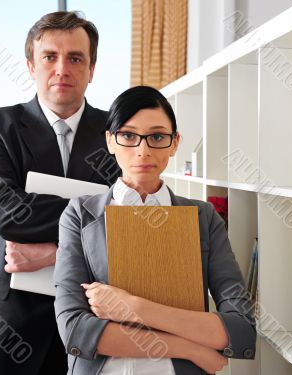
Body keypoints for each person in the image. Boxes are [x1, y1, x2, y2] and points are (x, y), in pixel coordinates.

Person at [0, 11, 120, 375]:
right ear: (31, 65)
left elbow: (127, 225)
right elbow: (7, 213)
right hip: (6, 325)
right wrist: (92, 217)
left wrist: (55, 255)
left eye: (75, 58)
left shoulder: (118, 134)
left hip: (90, 321)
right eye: (50, 57)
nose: (62, 69)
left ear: (92, 69)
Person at [54, 86, 256, 375]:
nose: (143, 150)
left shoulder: (203, 217)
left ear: (175, 143)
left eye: (158, 137)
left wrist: (131, 307)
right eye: (128, 135)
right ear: (110, 141)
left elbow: (239, 327)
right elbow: (74, 330)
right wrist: (189, 347)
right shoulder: (79, 214)